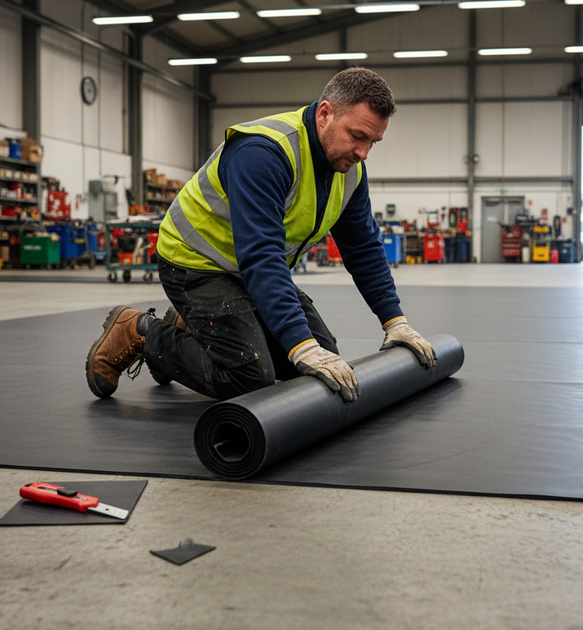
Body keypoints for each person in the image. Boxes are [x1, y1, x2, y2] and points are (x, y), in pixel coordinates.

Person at [86, 67, 435, 403]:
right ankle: (141, 332)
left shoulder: (349, 170)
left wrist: (395, 321)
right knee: (250, 377)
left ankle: (195, 327)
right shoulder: (263, 153)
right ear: (325, 113)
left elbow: (363, 248)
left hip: (247, 269)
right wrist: (300, 344)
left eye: (373, 142)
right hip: (196, 263)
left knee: (323, 364)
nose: (363, 153)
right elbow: (262, 254)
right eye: (357, 136)